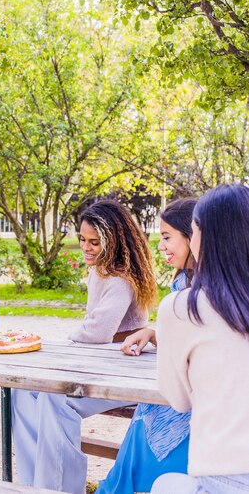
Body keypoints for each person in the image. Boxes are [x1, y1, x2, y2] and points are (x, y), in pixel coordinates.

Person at [12, 199, 157, 494]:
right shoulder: (99, 271)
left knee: (55, 398)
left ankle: (61, 487)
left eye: (95, 242)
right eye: (82, 239)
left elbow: (98, 331)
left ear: (113, 243)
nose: (87, 247)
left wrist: (65, 338)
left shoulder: (120, 279)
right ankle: (34, 483)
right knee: (22, 389)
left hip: (124, 368)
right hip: (101, 363)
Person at [151, 184, 249, 494]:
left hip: (225, 476)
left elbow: (178, 399)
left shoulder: (182, 308)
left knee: (164, 486)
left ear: (202, 237)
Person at [96, 198, 197, 494]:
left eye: (167, 237)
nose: (161, 246)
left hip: (191, 401)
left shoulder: (211, 288)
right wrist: (152, 333)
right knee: (148, 409)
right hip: (166, 390)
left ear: (192, 236)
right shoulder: (183, 280)